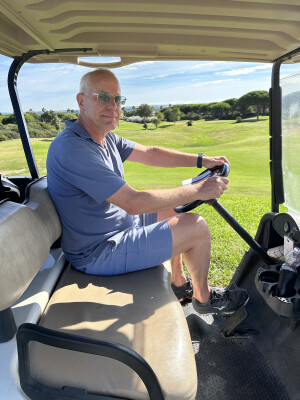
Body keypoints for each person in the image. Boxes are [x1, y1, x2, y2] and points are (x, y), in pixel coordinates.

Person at [46, 68, 248, 315]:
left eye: (117, 99)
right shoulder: (74, 148)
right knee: (196, 227)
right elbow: (134, 202)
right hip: (99, 251)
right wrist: (199, 190)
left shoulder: (104, 137)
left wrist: (202, 160)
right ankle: (204, 301)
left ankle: (177, 281)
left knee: (173, 207)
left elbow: (150, 153)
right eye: (103, 97)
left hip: (121, 227)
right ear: (81, 101)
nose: (113, 106)